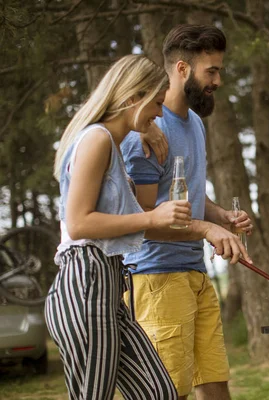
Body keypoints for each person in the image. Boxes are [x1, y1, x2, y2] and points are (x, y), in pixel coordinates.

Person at [46, 54, 189, 400]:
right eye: (156, 103)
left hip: (109, 289)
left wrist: (207, 231)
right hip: (85, 283)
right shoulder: (96, 140)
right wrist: (152, 216)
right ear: (132, 97)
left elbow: (126, 225)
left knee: (159, 393)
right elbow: (79, 223)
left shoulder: (110, 142)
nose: (159, 113)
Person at [120, 25, 252, 400]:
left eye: (219, 70)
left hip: (194, 272)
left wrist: (221, 216)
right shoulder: (147, 131)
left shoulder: (194, 123)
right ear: (181, 69)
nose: (218, 80)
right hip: (155, 277)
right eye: (211, 71)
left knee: (215, 384)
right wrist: (207, 231)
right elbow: (144, 221)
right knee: (168, 391)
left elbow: (189, 197)